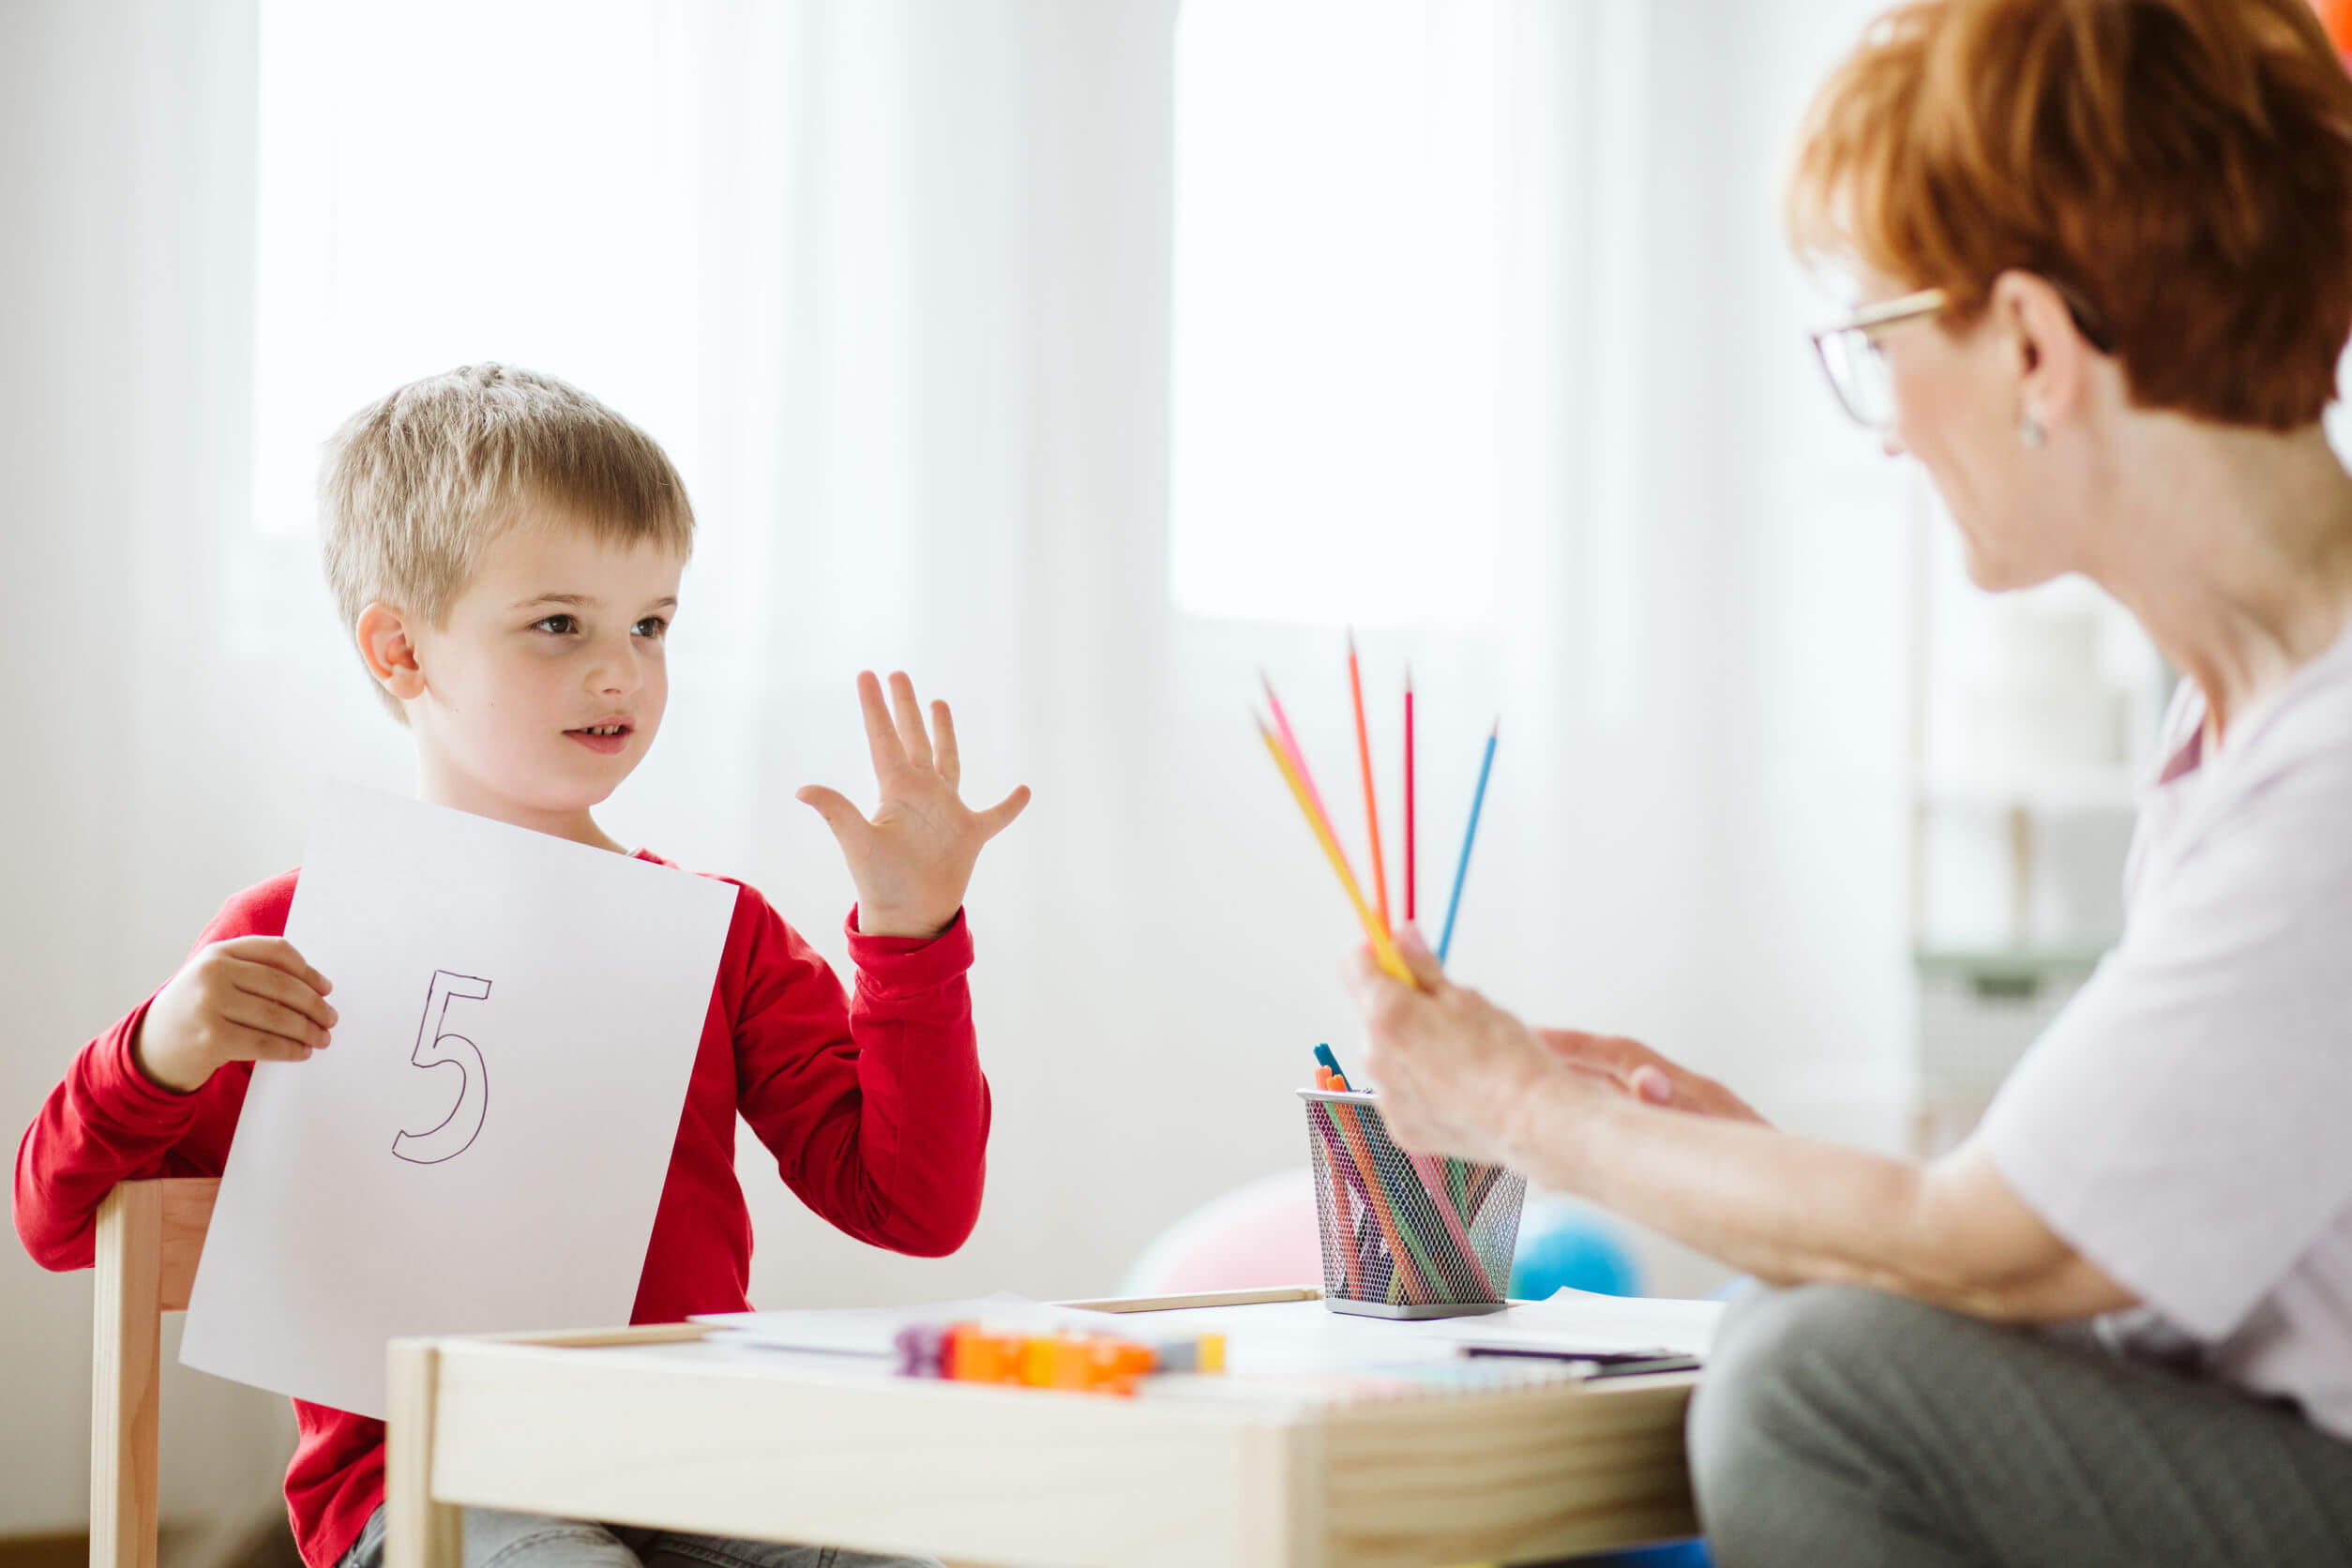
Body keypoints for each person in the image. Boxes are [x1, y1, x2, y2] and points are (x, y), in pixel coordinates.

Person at [1345, 2, 2352, 1562]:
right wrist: (1742, 1167)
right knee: (1809, 1326)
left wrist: (1515, 1107)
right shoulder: (2243, 728)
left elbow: (1994, 1248)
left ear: (2026, 345)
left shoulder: (2323, 774)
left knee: (1812, 1389)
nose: (1883, 434)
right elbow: (2075, 1247)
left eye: (1880, 346)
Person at [13, 365, 1030, 1568]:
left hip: (691, 1458)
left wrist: (909, 941)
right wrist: (155, 1050)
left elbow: (912, 1207)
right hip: (431, 1481)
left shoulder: (722, 932)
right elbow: (60, 1222)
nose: (621, 674)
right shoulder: (294, 932)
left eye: (650, 625)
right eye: (561, 624)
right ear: (400, 650)